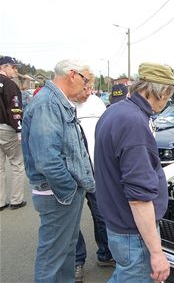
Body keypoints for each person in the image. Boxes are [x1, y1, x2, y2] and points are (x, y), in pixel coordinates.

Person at [94, 62, 174, 283]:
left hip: (116, 224)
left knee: (123, 275)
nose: (166, 103)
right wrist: (157, 254)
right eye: (168, 97)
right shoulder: (134, 123)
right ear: (163, 91)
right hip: (133, 234)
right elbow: (139, 199)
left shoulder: (115, 111)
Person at [21, 59, 95, 282]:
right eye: (86, 80)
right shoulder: (48, 103)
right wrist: (69, 189)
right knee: (52, 257)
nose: (87, 87)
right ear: (72, 75)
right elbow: (47, 160)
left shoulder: (54, 101)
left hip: (59, 193)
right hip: (57, 194)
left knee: (66, 251)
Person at [72, 85, 114, 282]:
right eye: (85, 86)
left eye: (90, 86)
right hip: (71, 173)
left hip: (96, 170)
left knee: (102, 215)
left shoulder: (97, 103)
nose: (89, 90)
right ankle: (77, 261)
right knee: (72, 222)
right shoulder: (63, 104)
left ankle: (105, 254)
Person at [0, 56, 26, 211]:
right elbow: (15, 109)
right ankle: (16, 200)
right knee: (16, 164)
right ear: (5, 66)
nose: (16, 70)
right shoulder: (10, 85)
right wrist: (19, 129)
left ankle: (0, 202)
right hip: (6, 129)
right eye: (14, 67)